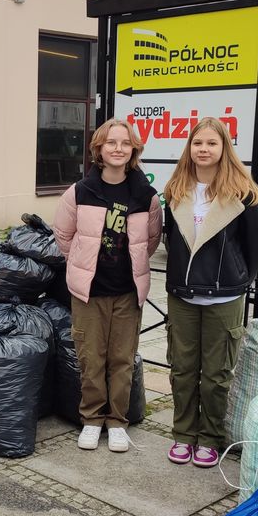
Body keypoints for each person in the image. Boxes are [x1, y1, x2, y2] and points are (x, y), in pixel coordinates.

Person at [163, 117, 258, 468]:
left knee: (215, 375)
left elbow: (257, 248)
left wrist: (238, 278)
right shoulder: (176, 190)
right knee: (182, 370)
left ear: (224, 147)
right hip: (182, 296)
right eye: (197, 143)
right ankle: (182, 434)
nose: (203, 150)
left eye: (211, 143)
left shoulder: (245, 193)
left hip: (224, 297)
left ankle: (209, 437)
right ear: (189, 148)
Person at [52, 118, 162, 453]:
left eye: (125, 143)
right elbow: (63, 235)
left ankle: (117, 421)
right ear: (99, 148)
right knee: (91, 358)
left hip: (127, 292)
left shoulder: (146, 195)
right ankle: (91, 418)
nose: (117, 149)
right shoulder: (81, 191)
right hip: (89, 292)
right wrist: (83, 263)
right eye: (111, 143)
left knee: (122, 359)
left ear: (134, 150)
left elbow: (152, 239)